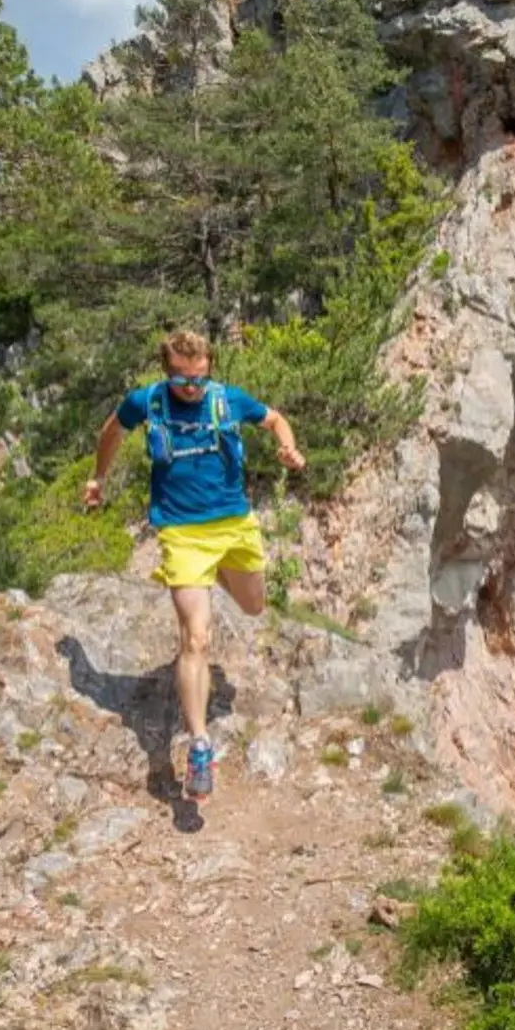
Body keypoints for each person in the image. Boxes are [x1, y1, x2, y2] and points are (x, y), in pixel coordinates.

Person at [84, 330, 304, 801]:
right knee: (196, 638)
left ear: (209, 367)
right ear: (167, 373)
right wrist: (97, 479)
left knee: (253, 606)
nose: (191, 387)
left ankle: (213, 578)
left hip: (234, 527)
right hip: (181, 533)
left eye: (199, 378)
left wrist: (288, 447)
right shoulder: (147, 402)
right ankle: (200, 745)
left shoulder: (229, 400)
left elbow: (275, 419)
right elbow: (111, 432)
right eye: (182, 378)